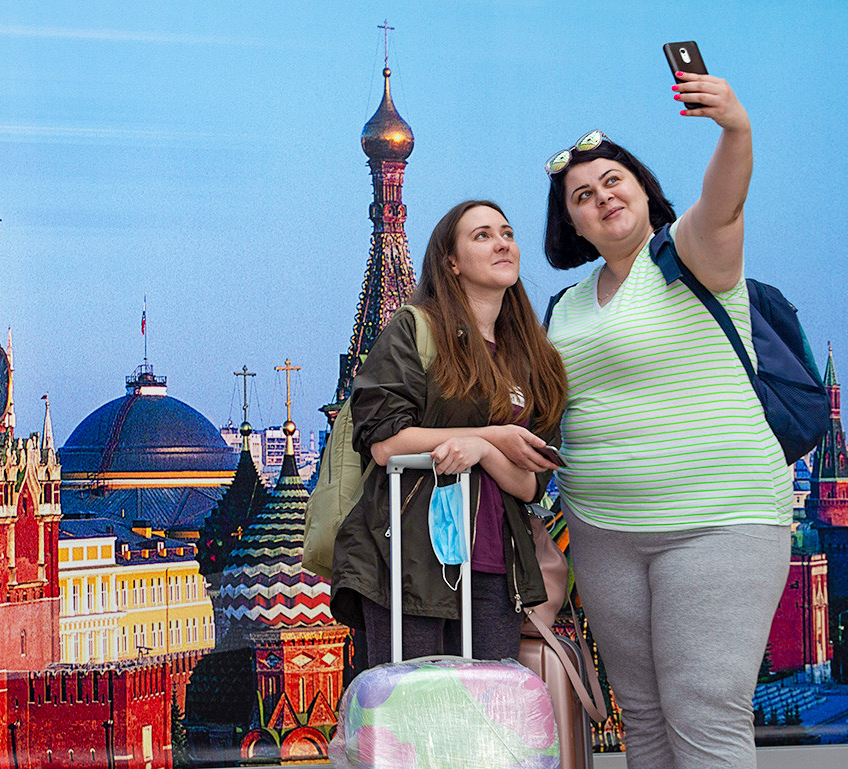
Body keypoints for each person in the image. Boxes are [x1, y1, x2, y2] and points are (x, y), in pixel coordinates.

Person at [541, 72, 792, 768]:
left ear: (645, 190)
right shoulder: (564, 306)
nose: (602, 197)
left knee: (705, 713)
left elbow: (724, 198)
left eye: (614, 180)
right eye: (582, 196)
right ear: (574, 223)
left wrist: (735, 128)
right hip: (605, 535)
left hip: (717, 518)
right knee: (643, 721)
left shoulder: (690, 253)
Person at [329, 200, 569, 667]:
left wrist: (483, 446)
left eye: (507, 232)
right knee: (411, 714)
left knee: (483, 716)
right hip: (409, 557)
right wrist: (493, 433)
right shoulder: (416, 329)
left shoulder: (535, 359)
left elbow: (529, 483)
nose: (501, 242)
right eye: (481, 235)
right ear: (451, 262)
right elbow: (385, 442)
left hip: (497, 566)